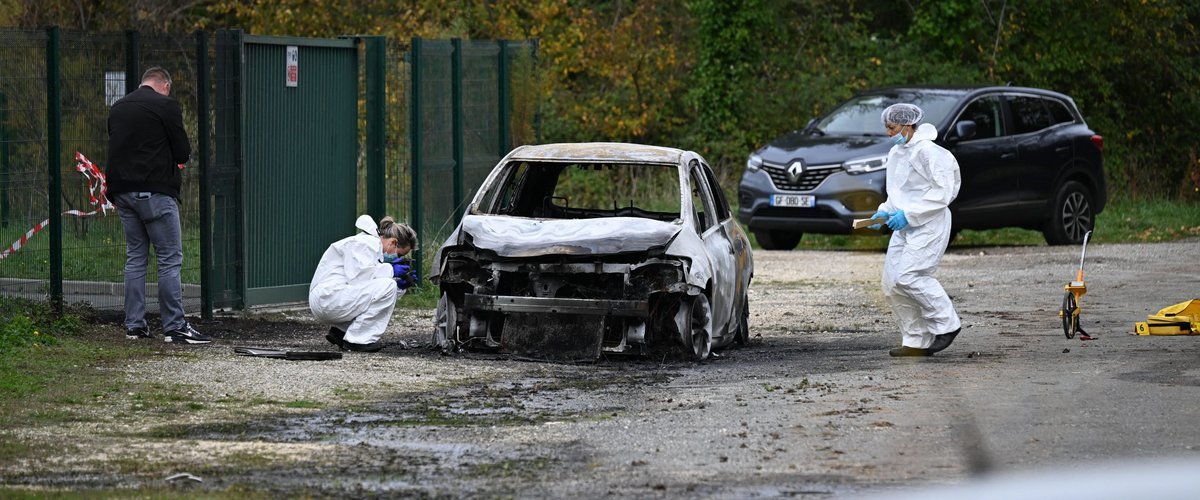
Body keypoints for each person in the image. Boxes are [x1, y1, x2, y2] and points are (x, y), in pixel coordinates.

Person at [107, 67, 210, 344]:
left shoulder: (118, 108)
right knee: (169, 259)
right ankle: (175, 327)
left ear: (144, 82)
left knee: (135, 258)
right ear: (165, 85)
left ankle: (135, 326)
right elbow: (183, 152)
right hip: (155, 192)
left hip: (122, 192)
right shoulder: (166, 105)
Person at [871, 103, 962, 357]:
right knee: (891, 283)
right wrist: (885, 210)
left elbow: (944, 191)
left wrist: (910, 214)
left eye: (892, 127)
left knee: (910, 276)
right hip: (904, 225)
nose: (889, 133)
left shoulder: (929, 152)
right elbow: (897, 192)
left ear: (908, 125)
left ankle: (947, 325)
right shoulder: (897, 152)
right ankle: (915, 340)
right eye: (887, 127)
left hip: (929, 223)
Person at [310, 214, 419, 352]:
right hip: (328, 299)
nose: (397, 258)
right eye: (400, 254)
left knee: (389, 287)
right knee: (388, 286)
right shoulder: (366, 243)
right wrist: (391, 271)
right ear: (393, 242)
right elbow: (360, 279)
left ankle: (341, 332)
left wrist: (399, 286)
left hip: (329, 299)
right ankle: (358, 340)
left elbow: (371, 291)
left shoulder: (370, 246)